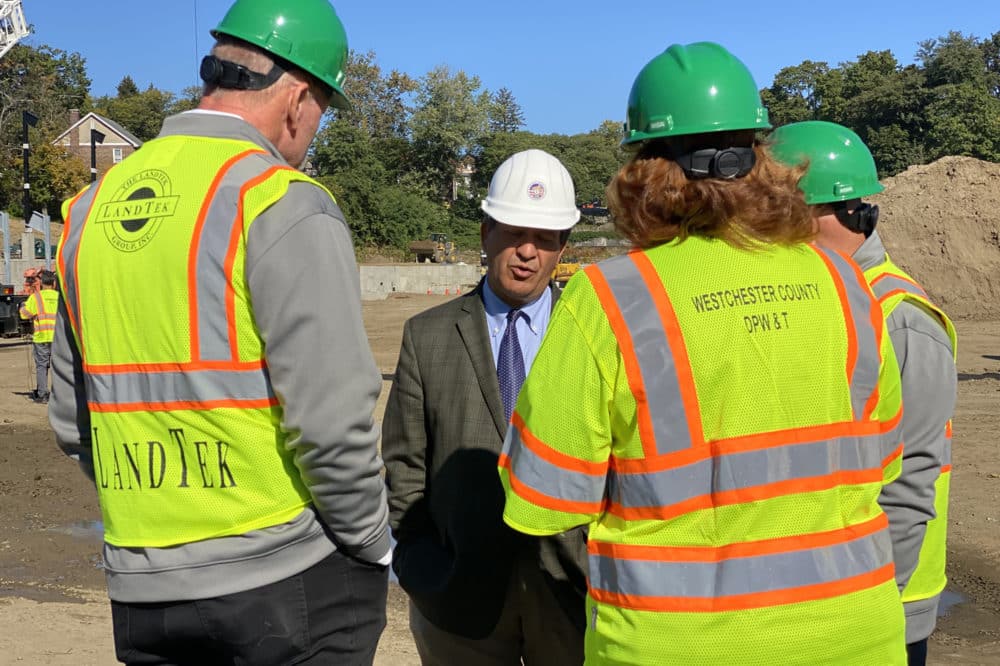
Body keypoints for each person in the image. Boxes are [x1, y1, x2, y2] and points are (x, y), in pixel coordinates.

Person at [498, 42, 909, 665]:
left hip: (677, 643)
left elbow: (541, 499)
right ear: (762, 160)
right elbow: (882, 462)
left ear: (644, 169)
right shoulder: (845, 282)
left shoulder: (609, 297)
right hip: (856, 633)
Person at [48, 1, 391, 663]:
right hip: (284, 580)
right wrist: (372, 542)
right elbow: (331, 422)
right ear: (296, 99)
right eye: (322, 111)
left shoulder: (90, 209)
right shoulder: (279, 199)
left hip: (145, 588)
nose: (313, 132)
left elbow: (71, 416)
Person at [382, 149, 588, 665]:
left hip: (571, 595)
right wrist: (421, 565)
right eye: (514, 233)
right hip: (456, 603)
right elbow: (403, 467)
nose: (527, 252)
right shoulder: (426, 336)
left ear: (562, 247)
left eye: (544, 239)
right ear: (485, 233)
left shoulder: (592, 333)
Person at [770, 120, 958, 666]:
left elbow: (910, 483)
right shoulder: (831, 296)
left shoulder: (900, 318)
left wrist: (870, 605)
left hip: (885, 603)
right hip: (836, 593)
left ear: (822, 213)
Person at [18, 268, 58, 403]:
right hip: (58, 339)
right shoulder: (59, 298)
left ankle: (42, 394)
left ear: (41, 284)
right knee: (58, 367)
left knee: (41, 366)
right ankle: (59, 395)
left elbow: (24, 314)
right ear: (54, 284)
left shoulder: (36, 298)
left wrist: (22, 306)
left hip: (41, 337)